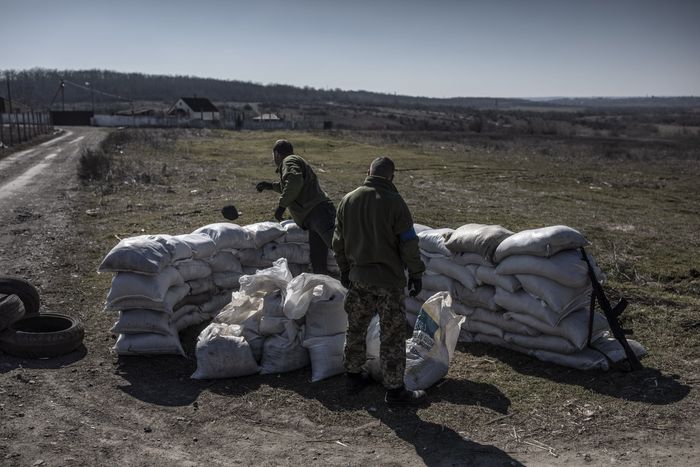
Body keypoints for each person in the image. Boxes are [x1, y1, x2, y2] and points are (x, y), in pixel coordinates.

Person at [332, 156, 427, 407]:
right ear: (391, 177)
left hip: (359, 278)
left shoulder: (348, 200)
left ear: (368, 172)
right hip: (389, 282)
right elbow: (409, 242)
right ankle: (395, 390)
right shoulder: (395, 203)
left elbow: (338, 241)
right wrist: (416, 273)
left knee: (356, 327)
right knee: (392, 334)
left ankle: (352, 375)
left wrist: (344, 269)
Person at [256, 139, 336, 275]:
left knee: (339, 247)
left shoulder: (288, 161)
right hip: (313, 215)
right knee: (317, 258)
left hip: (318, 212)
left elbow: (294, 181)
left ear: (276, 153)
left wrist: (282, 206)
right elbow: (290, 185)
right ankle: (322, 285)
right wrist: (270, 185)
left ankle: (364, 276)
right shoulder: (293, 161)